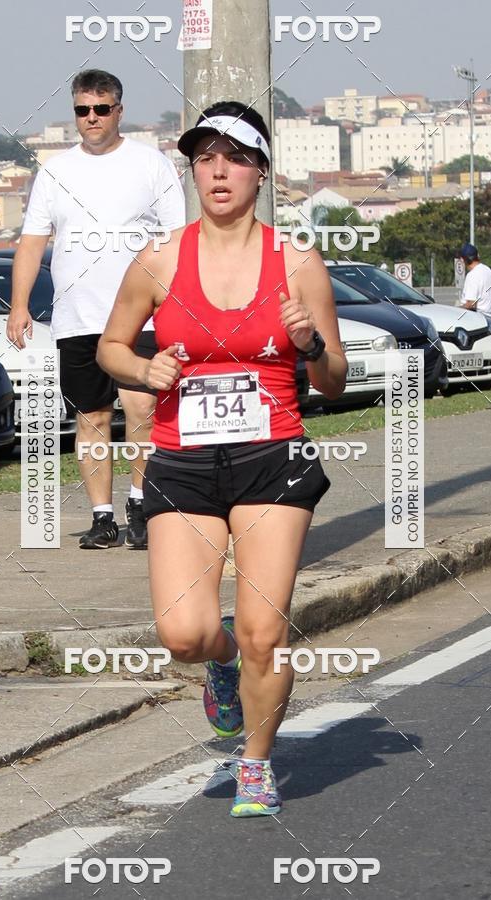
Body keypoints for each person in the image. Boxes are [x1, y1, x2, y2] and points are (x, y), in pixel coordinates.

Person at [97, 100, 347, 817]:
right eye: (204, 158)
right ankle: (224, 666)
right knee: (184, 632)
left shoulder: (297, 262)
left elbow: (334, 377)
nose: (218, 170)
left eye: (234, 157)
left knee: (267, 629)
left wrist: (307, 348)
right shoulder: (159, 260)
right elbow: (111, 346)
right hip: (182, 460)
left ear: (260, 172)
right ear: (193, 172)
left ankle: (256, 764)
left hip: (274, 456)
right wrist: (142, 373)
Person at [6, 69, 185, 550]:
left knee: (142, 409)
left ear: (118, 111)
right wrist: (19, 304)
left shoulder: (151, 164)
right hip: (77, 317)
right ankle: (102, 517)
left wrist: (178, 303)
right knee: (92, 417)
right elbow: (31, 242)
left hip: (141, 316)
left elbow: (178, 240)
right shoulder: (56, 171)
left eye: (101, 109)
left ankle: (141, 503)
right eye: (83, 110)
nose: (91, 118)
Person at [458, 243, 491, 317]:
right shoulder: (488, 271)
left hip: (477, 319)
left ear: (463, 259)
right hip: (489, 317)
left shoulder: (472, 275)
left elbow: (471, 304)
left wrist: (455, 310)